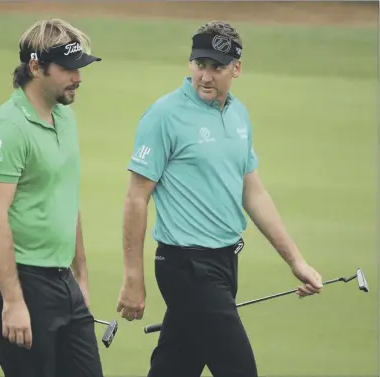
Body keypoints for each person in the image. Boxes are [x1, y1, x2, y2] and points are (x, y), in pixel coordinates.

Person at [116, 20, 324, 377]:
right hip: (186, 266)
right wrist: (133, 277)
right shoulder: (164, 115)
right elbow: (136, 198)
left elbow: (253, 192)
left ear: (237, 68)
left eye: (217, 67)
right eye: (200, 64)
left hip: (225, 263)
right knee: (239, 368)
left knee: (175, 366)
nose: (206, 76)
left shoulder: (239, 115)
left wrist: (297, 261)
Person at [0, 18, 104, 377]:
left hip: (62, 279)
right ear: (35, 66)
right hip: (20, 279)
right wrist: (13, 302)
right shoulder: (8, 128)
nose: (78, 77)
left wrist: (81, 277)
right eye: (68, 68)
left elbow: (66, 201)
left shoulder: (64, 117)